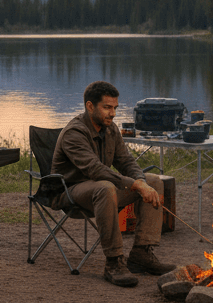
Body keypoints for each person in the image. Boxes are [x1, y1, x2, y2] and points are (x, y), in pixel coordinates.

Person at [51, 81, 177, 286]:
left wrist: (143, 182)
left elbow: (126, 161)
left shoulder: (111, 130)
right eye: (107, 107)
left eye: (115, 108)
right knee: (106, 187)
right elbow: (95, 170)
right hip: (69, 191)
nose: (113, 113)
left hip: (100, 191)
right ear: (90, 106)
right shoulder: (74, 133)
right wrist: (136, 186)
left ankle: (141, 253)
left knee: (154, 181)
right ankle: (113, 262)